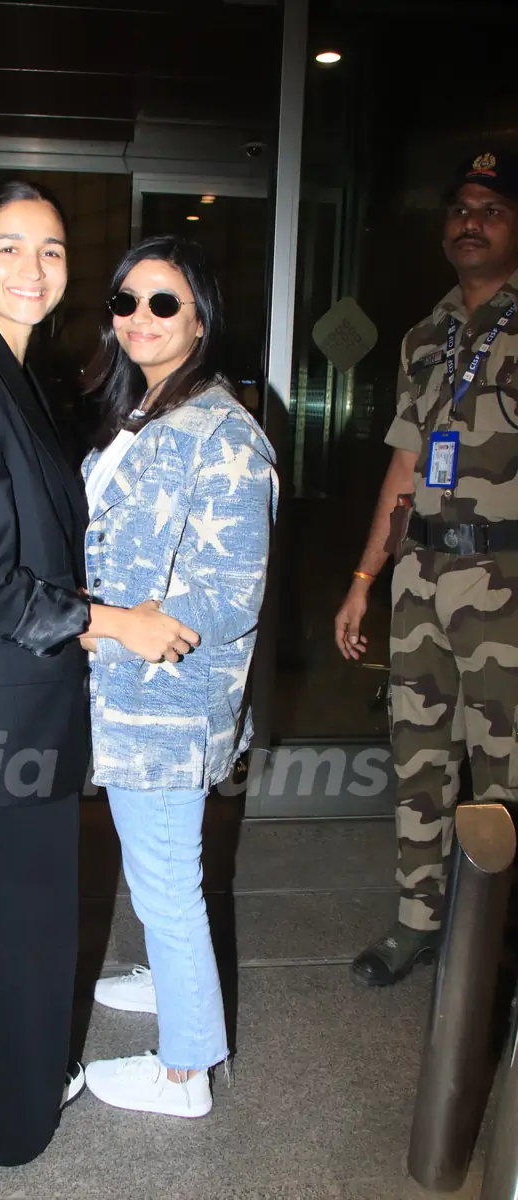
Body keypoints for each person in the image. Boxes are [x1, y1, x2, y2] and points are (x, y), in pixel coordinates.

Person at [0, 180, 199, 1166]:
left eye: (50, 251)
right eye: (6, 248)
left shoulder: (1, 371)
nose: (31, 268)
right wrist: (111, 625)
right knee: (21, 911)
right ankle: (5, 1117)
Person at [79, 236, 277, 1117]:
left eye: (164, 303)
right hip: (130, 693)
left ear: (201, 316)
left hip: (167, 702)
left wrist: (105, 632)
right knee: (155, 863)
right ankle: (171, 979)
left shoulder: (227, 434)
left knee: (166, 873)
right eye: (126, 302)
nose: (140, 320)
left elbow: (230, 596)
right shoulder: (148, 413)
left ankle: (184, 1070)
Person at [334, 151, 518, 987]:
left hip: (506, 586)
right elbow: (406, 468)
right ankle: (418, 924)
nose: (469, 221)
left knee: (507, 779)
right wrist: (366, 580)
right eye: (459, 209)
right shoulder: (426, 336)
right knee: (418, 761)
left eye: (491, 208)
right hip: (420, 577)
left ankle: (501, 944)